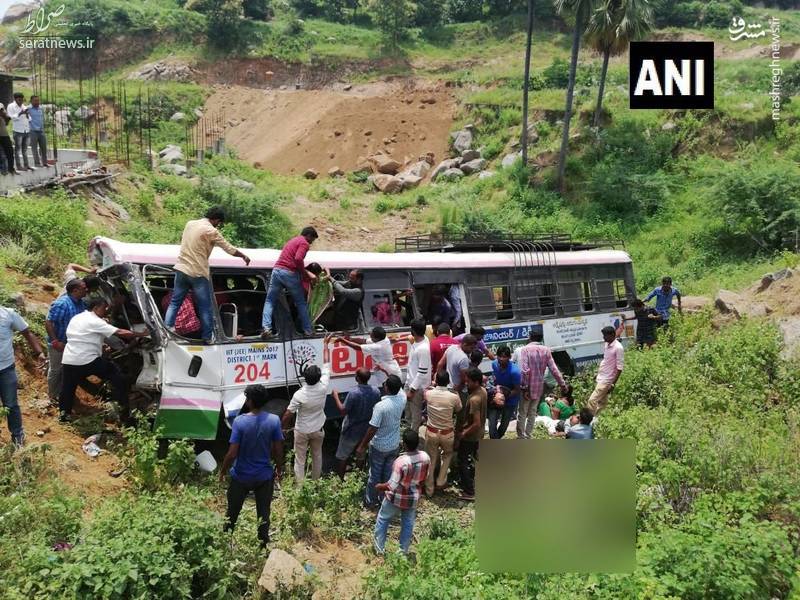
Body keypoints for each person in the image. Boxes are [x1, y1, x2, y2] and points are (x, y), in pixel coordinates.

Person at [166, 207, 251, 344]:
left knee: (175, 302)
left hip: (181, 269)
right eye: (219, 222)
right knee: (205, 306)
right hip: (198, 272)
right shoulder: (211, 231)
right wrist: (244, 256)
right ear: (216, 219)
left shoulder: (190, 224)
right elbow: (229, 248)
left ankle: (168, 328)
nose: (219, 225)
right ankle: (207, 337)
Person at [58, 298, 147, 422]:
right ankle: (124, 413)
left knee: (67, 388)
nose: (106, 310)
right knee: (117, 377)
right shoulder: (95, 321)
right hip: (87, 360)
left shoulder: (77, 318)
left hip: (69, 359)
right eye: (104, 308)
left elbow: (84, 337)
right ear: (95, 308)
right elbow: (120, 332)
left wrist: (100, 349)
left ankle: (64, 415)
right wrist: (142, 334)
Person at [220, 384, 284, 548]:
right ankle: (263, 545)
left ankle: (225, 542)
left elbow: (232, 453)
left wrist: (223, 470)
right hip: (264, 476)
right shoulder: (274, 420)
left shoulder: (240, 422)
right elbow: (278, 450)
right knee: (263, 513)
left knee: (232, 512)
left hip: (241, 476)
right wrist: (279, 468)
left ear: (249, 401)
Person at [281, 335, 332, 483]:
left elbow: (287, 415)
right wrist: (325, 345)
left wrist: (284, 428)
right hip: (318, 430)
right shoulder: (323, 386)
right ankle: (315, 482)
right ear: (318, 377)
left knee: (300, 460)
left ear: (305, 377)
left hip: (302, 431)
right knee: (317, 456)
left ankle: (300, 488)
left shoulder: (299, 394)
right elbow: (327, 363)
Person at [373, 429, 430, 556]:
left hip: (396, 498)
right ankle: (402, 552)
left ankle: (379, 549)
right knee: (408, 524)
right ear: (418, 443)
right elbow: (424, 478)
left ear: (404, 444)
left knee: (383, 519)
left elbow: (391, 486)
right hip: (413, 498)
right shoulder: (425, 458)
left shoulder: (401, 462)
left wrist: (379, 486)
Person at [356, 374, 406, 508]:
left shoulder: (380, 406)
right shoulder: (402, 399)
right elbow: (399, 386)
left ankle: (371, 501)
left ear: (387, 388)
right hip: (394, 444)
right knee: (388, 474)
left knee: (374, 475)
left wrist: (362, 446)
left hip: (379, 446)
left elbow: (372, 429)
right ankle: (385, 499)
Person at [261, 226, 319, 339]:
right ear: (308, 235)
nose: (311, 242)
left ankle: (266, 328)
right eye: (312, 239)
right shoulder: (304, 243)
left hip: (277, 271)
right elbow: (298, 259)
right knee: (301, 303)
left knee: (270, 301)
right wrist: (304, 273)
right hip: (289, 273)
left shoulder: (292, 240)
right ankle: (307, 330)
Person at [1, 304, 45, 447]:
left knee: (11, 404)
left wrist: (39, 352)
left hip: (6, 369)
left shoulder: (8, 314)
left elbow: (27, 333)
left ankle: (18, 437)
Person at [516, 330, 569, 439]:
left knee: (522, 413)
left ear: (530, 337)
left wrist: (525, 388)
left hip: (527, 388)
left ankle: (521, 437)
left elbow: (525, 370)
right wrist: (562, 384)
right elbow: (554, 370)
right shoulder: (546, 350)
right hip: (539, 387)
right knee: (532, 412)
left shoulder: (525, 350)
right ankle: (528, 435)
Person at [45, 279, 89, 403]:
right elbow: (49, 322)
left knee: (67, 370)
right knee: (56, 369)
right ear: (75, 290)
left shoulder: (81, 304)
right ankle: (53, 396)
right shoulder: (62, 303)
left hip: (72, 344)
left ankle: (64, 393)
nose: (87, 290)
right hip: (58, 343)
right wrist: (55, 341)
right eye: (84, 288)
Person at [332, 368, 380, 479]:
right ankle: (358, 478)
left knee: (343, 456)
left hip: (351, 430)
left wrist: (335, 396)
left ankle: (340, 480)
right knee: (361, 455)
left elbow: (343, 410)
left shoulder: (354, 393)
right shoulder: (376, 391)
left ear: (357, 378)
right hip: (366, 430)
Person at [422, 370, 461, 497]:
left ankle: (429, 489)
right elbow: (459, 409)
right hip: (447, 433)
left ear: (436, 381)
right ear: (448, 381)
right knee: (447, 455)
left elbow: (425, 393)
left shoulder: (429, 394)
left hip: (432, 432)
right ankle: (440, 480)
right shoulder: (454, 397)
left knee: (431, 459)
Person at [456, 368, 487, 501]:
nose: (466, 383)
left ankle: (469, 491)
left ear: (476, 382)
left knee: (462, 461)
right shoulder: (483, 391)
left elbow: (476, 423)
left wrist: (463, 433)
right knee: (474, 459)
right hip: (479, 435)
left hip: (471, 435)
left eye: (468, 381)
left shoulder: (474, 399)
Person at [336, 326, 402, 384]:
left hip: (389, 375)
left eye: (371, 334)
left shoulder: (378, 346)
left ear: (376, 338)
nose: (370, 334)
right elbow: (364, 341)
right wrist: (350, 339)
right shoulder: (384, 339)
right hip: (389, 372)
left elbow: (358, 347)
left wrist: (343, 340)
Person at [587, 326, 624, 416]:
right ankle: (598, 420)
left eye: (605, 335)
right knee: (602, 404)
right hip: (601, 377)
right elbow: (606, 360)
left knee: (592, 400)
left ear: (611, 335)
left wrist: (613, 384)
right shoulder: (607, 344)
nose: (603, 338)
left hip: (607, 380)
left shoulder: (618, 348)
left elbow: (619, 368)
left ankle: (587, 421)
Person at [487, 346, 520, 439]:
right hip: (496, 397)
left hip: (510, 400)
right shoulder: (494, 364)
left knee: (504, 424)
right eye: (499, 356)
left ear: (509, 357)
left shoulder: (515, 372)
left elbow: (517, 390)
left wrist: (504, 396)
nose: (501, 359)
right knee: (492, 423)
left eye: (504, 356)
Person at [405, 319, 431, 431]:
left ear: (413, 331)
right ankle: (408, 433)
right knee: (408, 412)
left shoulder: (423, 348)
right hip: (409, 382)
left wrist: (412, 390)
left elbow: (422, 372)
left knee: (415, 416)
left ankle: (413, 437)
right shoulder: (422, 340)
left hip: (416, 387)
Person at [7, 92, 30, 171]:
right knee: (17, 150)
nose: (21, 101)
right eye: (19, 100)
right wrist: (20, 113)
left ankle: (26, 165)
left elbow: (30, 119)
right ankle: (19, 166)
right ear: (15, 99)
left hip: (26, 130)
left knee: (25, 150)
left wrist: (27, 114)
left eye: (22, 100)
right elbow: (11, 117)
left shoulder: (24, 106)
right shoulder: (11, 106)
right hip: (17, 131)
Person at [27, 95, 47, 168]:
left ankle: (45, 162)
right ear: (31, 101)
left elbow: (42, 119)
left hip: (41, 131)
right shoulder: (28, 109)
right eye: (35, 101)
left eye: (38, 100)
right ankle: (37, 163)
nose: (37, 102)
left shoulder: (41, 109)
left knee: (44, 147)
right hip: (32, 131)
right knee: (34, 148)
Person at [0, 104, 15, 175]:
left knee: (10, 152)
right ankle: (3, 169)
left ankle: (11, 169)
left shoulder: (1, 105)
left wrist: (5, 116)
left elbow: (6, 122)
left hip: (4, 134)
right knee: (2, 155)